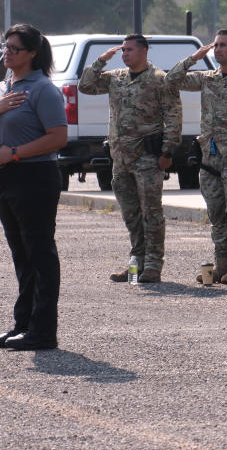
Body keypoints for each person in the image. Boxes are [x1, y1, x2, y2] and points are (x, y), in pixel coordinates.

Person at [165, 29, 227, 285]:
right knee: (216, 215)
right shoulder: (209, 78)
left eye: (223, 45)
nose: (218, 49)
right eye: (216, 45)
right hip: (210, 158)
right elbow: (171, 80)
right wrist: (194, 57)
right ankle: (220, 265)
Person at [79, 34, 182, 284]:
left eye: (129, 50)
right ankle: (136, 263)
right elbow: (86, 86)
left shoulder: (160, 80)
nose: (124, 54)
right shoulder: (116, 78)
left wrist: (167, 152)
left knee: (151, 213)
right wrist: (101, 60)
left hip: (147, 157)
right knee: (131, 214)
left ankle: (154, 265)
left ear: (144, 51)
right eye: (122, 50)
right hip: (120, 157)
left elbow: (174, 116)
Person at [0, 25, 67, 351]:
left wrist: (13, 153)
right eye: (6, 46)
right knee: (21, 256)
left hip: (34, 177)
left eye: (14, 47)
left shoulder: (42, 89)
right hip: (7, 179)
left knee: (39, 253)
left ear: (31, 53)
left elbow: (58, 137)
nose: (6, 52)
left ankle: (43, 331)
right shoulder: (4, 87)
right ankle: (23, 324)